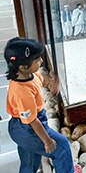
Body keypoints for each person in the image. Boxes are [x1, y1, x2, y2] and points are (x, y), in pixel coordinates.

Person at [4, 37, 74, 173]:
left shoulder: (29, 75)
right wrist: (47, 141)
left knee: (30, 159)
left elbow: (40, 80)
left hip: (20, 127)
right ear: (23, 66)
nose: (41, 61)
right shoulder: (22, 91)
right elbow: (33, 121)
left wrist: (51, 82)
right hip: (27, 129)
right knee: (62, 148)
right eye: (37, 60)